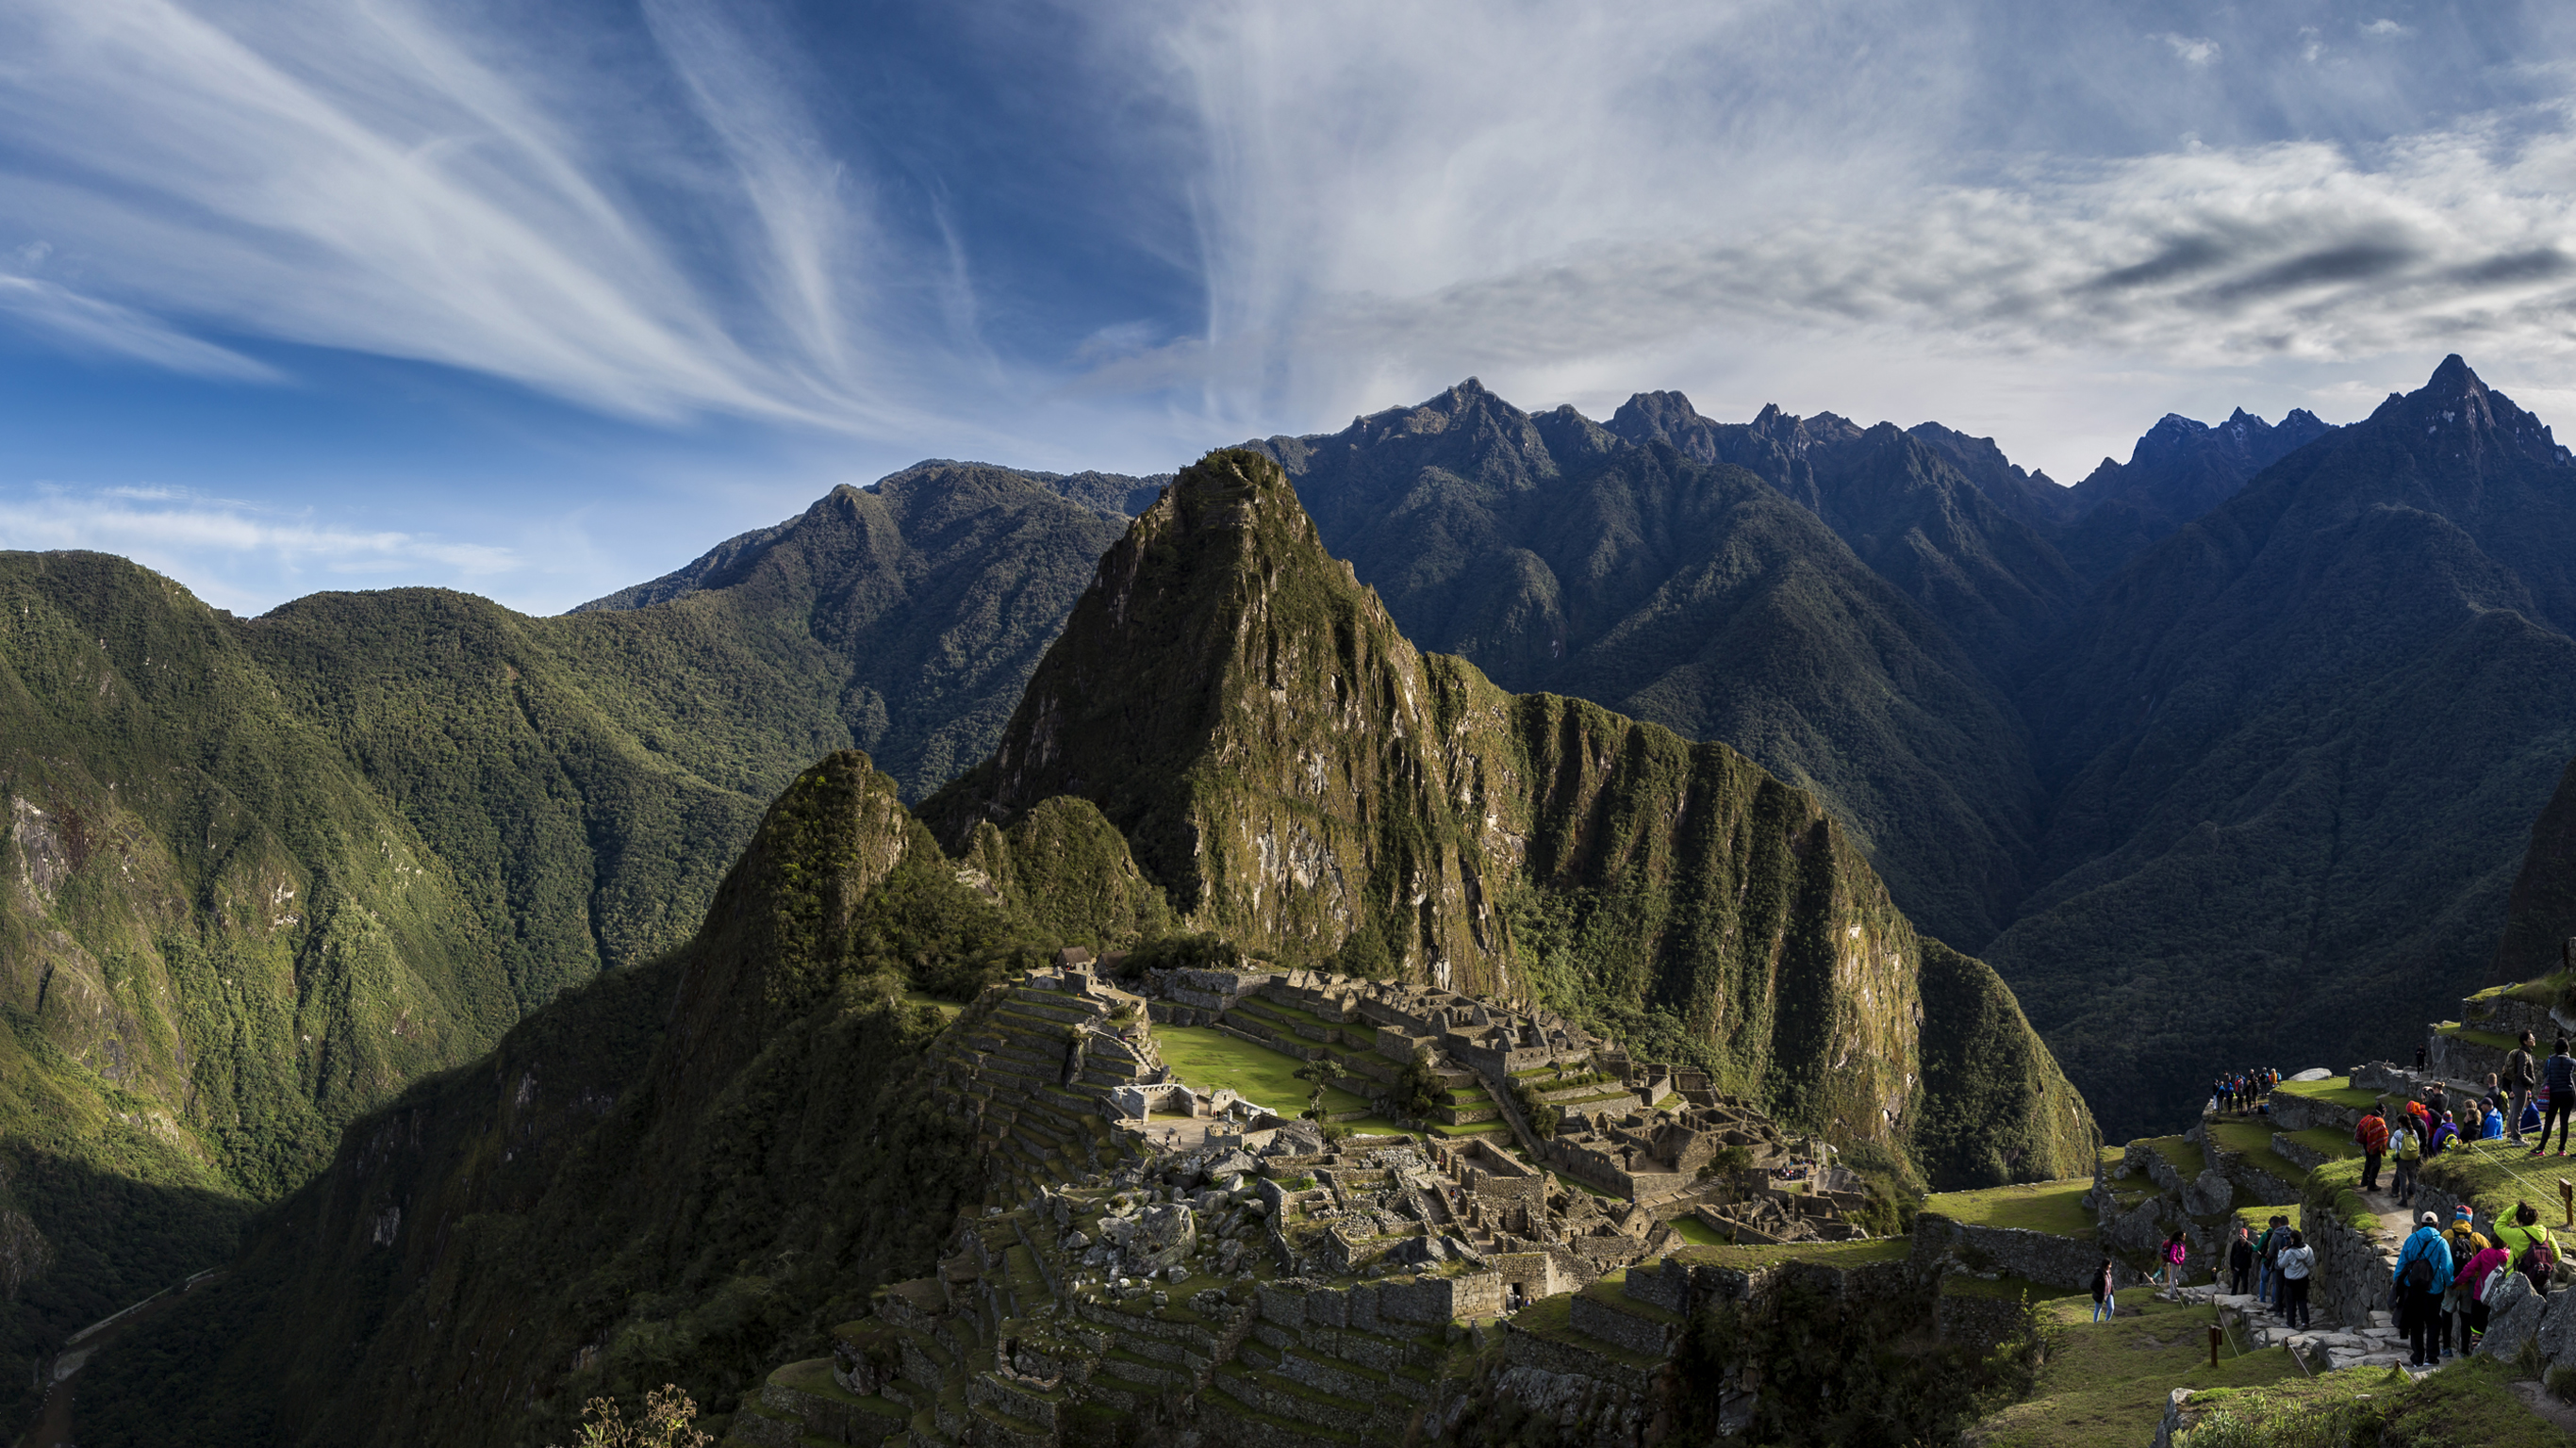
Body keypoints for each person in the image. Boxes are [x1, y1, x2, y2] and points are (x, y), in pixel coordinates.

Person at [2393, 1209, 2453, 1368]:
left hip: (2413, 1288)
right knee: (2433, 1321)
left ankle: (2417, 1358)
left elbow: (2401, 1264)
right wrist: (2450, 1283)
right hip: (2434, 1289)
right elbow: (2447, 1267)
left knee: (2416, 1323)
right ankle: (2431, 1357)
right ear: (2437, 1225)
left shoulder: (2411, 1240)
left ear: (2420, 1225)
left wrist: (2397, 1283)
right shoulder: (2441, 1243)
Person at [2440, 1208, 2488, 1359]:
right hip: (2469, 1285)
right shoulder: (2478, 1238)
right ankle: (2464, 1352)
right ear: (2470, 1221)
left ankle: (2446, 1348)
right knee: (2466, 1319)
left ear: (2456, 1219)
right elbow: (2488, 1256)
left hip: (2451, 1284)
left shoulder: (2447, 1235)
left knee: (2447, 1315)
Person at [2499, 1200, 2557, 1298]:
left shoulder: (2517, 1234)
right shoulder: (2547, 1233)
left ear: (2520, 1221)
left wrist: (2514, 1208)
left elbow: (2498, 1226)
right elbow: (2557, 1256)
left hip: (2518, 1281)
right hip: (2542, 1280)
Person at [2465, 1236, 2513, 1351]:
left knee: (2477, 1329)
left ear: (2491, 1241)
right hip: (2500, 1300)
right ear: (2506, 1244)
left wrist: (2457, 1282)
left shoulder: (2484, 1253)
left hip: (2480, 1297)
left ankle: (2476, 1354)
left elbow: (2469, 1269)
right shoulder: (2511, 1256)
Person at [2539, 1038, 2576, 1159]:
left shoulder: (2550, 1061)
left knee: (2549, 1122)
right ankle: (2562, 1149)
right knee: (2564, 1122)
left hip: (2554, 1093)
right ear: (2567, 1049)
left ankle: (2541, 1147)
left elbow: (2545, 1074)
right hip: (2568, 1093)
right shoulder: (2572, 1062)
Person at [2276, 1229, 2315, 1329]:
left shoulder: (2289, 1252)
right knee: (2302, 1300)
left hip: (2291, 1279)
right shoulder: (2307, 1249)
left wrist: (2281, 1252)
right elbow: (2311, 1262)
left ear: (2292, 1239)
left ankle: (2291, 1323)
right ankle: (2305, 1321)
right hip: (2303, 1278)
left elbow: (2281, 1264)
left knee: (2291, 1302)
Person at [2508, 1031, 2539, 1145]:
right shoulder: (2523, 1055)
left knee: (2516, 1111)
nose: (2533, 1039)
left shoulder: (2523, 1053)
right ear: (2525, 1042)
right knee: (2518, 1112)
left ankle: (2514, 1136)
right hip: (2520, 1086)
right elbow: (2521, 1074)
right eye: (2531, 1038)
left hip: (2518, 1085)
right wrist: (2531, 1082)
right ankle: (2516, 1138)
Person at [2256, 1213, 2289, 1307]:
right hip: (2289, 1264)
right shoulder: (2291, 1233)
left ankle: (2265, 1301)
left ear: (2279, 1223)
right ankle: (2277, 1301)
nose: (2273, 1228)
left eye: (2274, 1226)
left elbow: (2269, 1252)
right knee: (2278, 1284)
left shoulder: (2275, 1235)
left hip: (2274, 1263)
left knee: (2266, 1281)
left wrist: (2268, 1254)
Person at [2391, 1115, 2423, 1208]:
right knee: (2412, 1179)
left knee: (2403, 1180)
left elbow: (2392, 1145)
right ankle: (2418, 1199)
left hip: (2402, 1159)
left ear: (2400, 1124)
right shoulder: (2414, 1133)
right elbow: (2417, 1144)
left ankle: (2404, 1201)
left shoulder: (2398, 1133)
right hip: (2412, 1158)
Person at [2355, 1106, 2389, 1191]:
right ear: (2382, 1112)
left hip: (2366, 1143)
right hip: (2374, 1145)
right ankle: (2371, 1184)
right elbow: (2384, 1133)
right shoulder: (2379, 1121)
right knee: (2376, 1164)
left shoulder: (2367, 1117)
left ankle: (2364, 1181)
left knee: (2369, 1161)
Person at [2228, 1224, 2254, 1295]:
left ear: (2246, 1237)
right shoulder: (2236, 1244)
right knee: (2235, 1284)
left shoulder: (2248, 1246)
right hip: (2236, 1267)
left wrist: (2251, 1247)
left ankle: (2244, 1296)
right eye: (2241, 1237)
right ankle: (2233, 1296)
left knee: (2244, 1283)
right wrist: (2232, 1267)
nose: (2242, 1239)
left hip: (2245, 1268)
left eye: (2244, 1237)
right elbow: (2232, 1256)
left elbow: (2250, 1255)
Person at [2161, 1228, 2188, 1294]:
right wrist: (2177, 1262)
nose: (2184, 1238)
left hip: (2178, 1263)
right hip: (2175, 1263)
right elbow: (2172, 1256)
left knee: (2175, 1277)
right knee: (2173, 1278)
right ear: (2180, 1237)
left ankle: (2175, 1289)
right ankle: (2172, 1293)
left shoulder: (2181, 1244)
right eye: (2183, 1236)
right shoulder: (2176, 1245)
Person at [2091, 1258, 2117, 1324]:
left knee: (2111, 1308)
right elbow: (2092, 1285)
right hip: (2100, 1295)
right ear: (2106, 1265)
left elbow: (2111, 1282)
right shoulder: (2099, 1274)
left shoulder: (2109, 1272)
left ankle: (2106, 1322)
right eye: (2109, 1265)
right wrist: (2099, 1292)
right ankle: (2095, 1323)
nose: (2110, 1266)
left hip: (2108, 1293)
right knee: (2098, 1309)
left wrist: (2112, 1292)